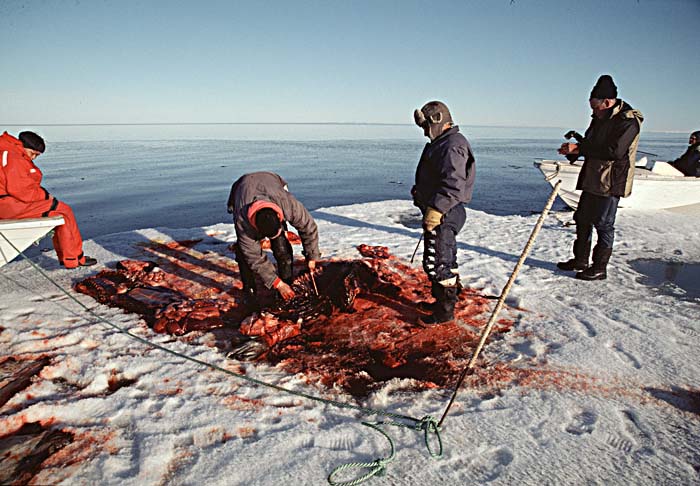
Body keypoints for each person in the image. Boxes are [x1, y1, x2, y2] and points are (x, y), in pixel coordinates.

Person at [557, 75, 644, 280]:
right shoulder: (599, 117)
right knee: (582, 219)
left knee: (604, 224)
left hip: (611, 180)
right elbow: (591, 144)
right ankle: (580, 260)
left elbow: (614, 151)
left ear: (607, 102)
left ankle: (599, 268)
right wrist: (574, 152)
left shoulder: (628, 121)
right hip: (592, 177)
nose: (592, 112)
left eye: (595, 107)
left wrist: (580, 147)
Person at [411, 101, 476, 324]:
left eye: (426, 126)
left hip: (446, 213)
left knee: (439, 262)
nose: (425, 132)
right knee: (444, 257)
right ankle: (443, 300)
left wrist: (437, 209)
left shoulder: (452, 145)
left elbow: (453, 184)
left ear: (437, 121)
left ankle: (444, 312)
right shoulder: (442, 142)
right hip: (441, 211)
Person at [0, 131, 96, 268]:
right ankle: (74, 259)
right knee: (64, 211)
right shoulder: (14, 158)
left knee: (58, 210)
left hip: (7, 202)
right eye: (33, 154)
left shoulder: (6, 151)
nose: (33, 158)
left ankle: (72, 257)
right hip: (8, 205)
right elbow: (22, 191)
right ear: (24, 146)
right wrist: (46, 197)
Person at [226, 171, 321, 307]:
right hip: (242, 188)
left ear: (279, 216)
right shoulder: (243, 222)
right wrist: (276, 283)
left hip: (271, 181)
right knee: (244, 253)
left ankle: (287, 282)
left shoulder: (287, 204)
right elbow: (254, 257)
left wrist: (312, 256)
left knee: (282, 248)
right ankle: (250, 291)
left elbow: (308, 227)